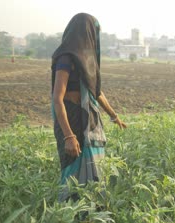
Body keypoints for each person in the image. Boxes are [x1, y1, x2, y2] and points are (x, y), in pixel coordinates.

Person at [51, 13, 126, 202]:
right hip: (71, 120)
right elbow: (57, 99)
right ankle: (68, 216)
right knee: (72, 169)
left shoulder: (87, 61)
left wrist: (114, 116)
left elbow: (97, 92)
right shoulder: (66, 58)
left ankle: (90, 213)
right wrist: (69, 136)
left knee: (93, 168)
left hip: (89, 122)